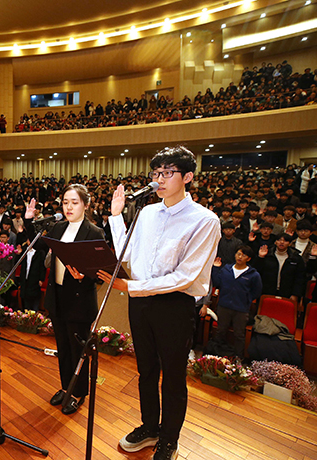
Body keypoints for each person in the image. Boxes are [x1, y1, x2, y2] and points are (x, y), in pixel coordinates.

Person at [100, 146, 220, 460]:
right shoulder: (147, 212)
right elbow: (126, 254)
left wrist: (134, 286)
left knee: (174, 376)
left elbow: (185, 276)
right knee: (146, 370)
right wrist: (116, 218)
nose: (160, 179)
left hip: (174, 306)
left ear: (188, 177)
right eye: (156, 173)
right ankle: (149, 427)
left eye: (168, 173)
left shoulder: (204, 220)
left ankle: (170, 438)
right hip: (140, 304)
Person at [24, 184, 105, 415]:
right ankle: (65, 387)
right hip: (57, 297)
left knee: (78, 350)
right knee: (62, 348)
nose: (69, 207)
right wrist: (29, 222)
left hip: (79, 300)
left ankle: (78, 393)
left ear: (86, 205)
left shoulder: (94, 232)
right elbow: (40, 246)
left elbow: (99, 272)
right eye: (65, 202)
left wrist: (85, 277)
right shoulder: (59, 227)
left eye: (74, 202)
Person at [211, 246, 263, 357]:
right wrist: (215, 268)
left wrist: (246, 299)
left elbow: (257, 291)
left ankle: (238, 358)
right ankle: (217, 356)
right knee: (220, 331)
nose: (240, 257)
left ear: (248, 259)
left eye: (244, 255)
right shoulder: (226, 269)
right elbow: (216, 283)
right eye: (239, 254)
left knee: (239, 334)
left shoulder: (253, 274)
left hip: (241, 309)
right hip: (224, 306)